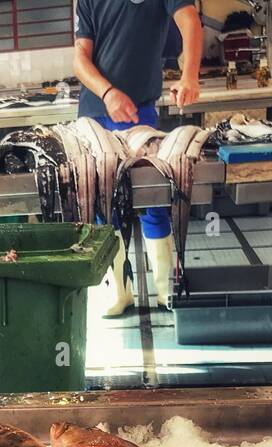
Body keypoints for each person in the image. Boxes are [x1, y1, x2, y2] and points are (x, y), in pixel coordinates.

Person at [75, 0, 203, 316]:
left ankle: (165, 290)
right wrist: (107, 93)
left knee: (153, 200)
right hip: (95, 112)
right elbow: (80, 58)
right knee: (105, 207)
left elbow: (190, 21)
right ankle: (119, 292)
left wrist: (190, 75)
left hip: (138, 112)